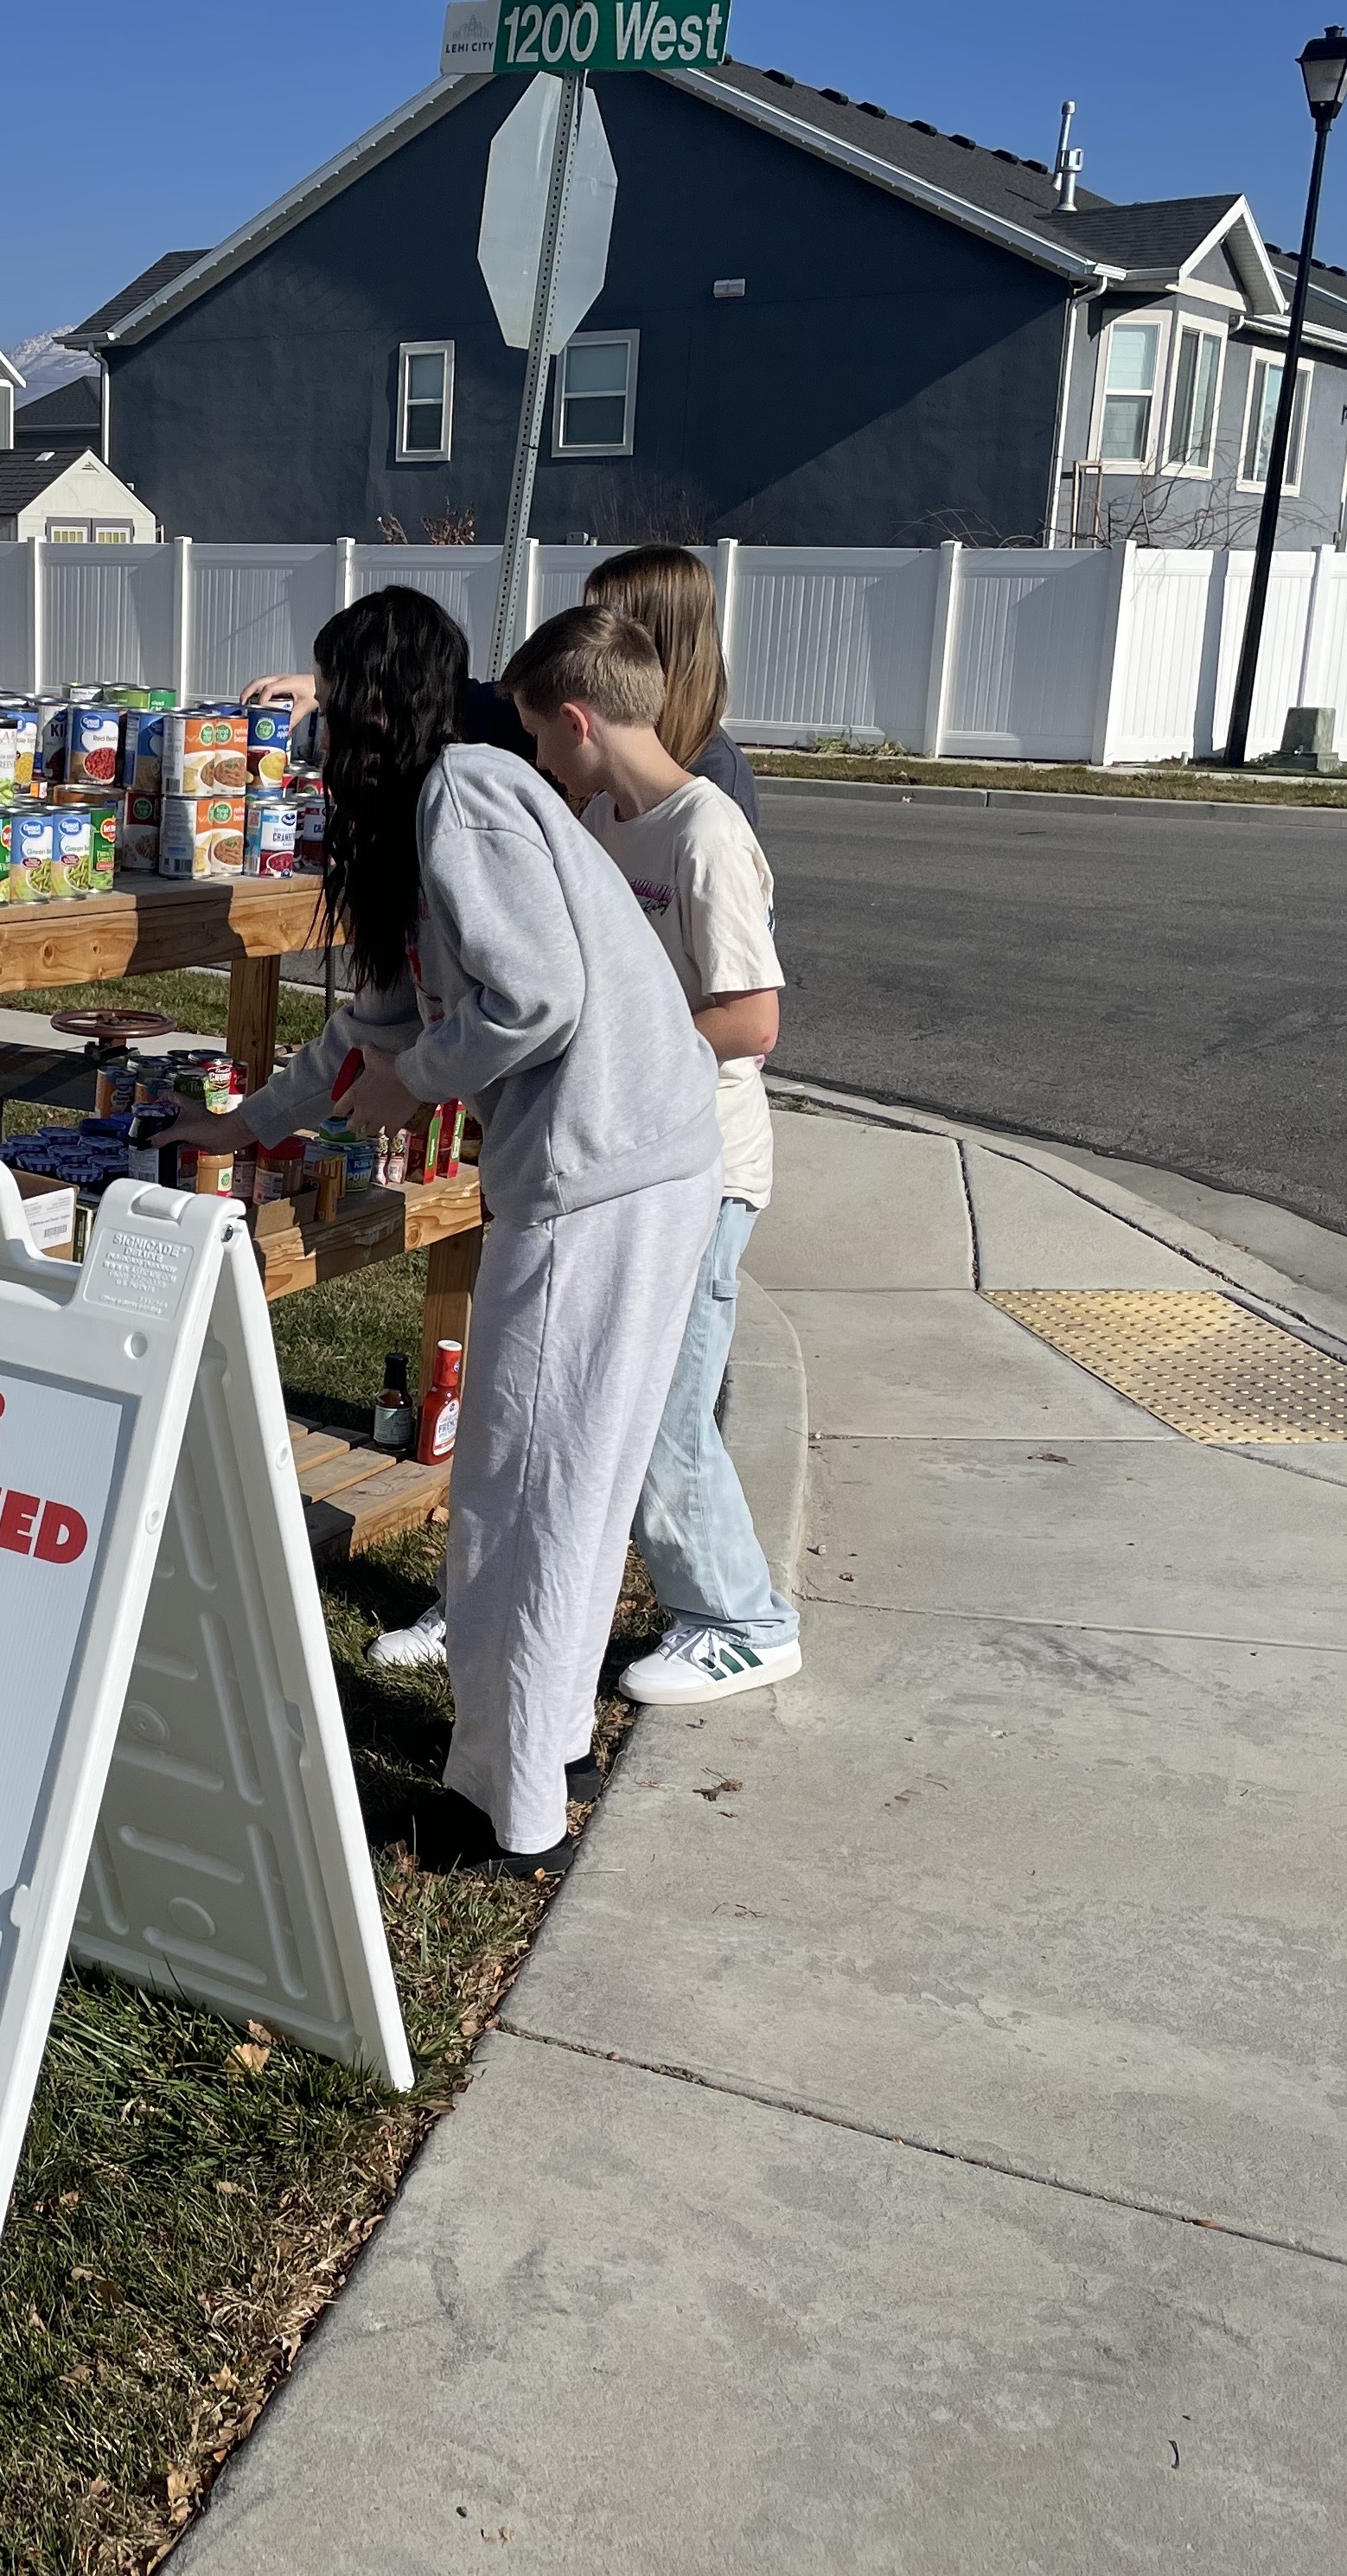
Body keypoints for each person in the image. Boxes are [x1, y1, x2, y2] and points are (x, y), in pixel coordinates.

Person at [158, 587, 718, 1876]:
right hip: (640, 1165)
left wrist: (425, 1081)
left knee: (521, 1492)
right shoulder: (450, 807)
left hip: (604, 1181)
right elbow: (379, 1029)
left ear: (370, 701)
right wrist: (250, 1129)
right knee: (564, 1487)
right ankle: (544, 1746)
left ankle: (503, 1814)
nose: (312, 729)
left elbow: (532, 1001)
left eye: (326, 695)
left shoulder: (463, 788)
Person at [501, 603, 801, 1703]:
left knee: (667, 1408)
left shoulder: (702, 834)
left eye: (540, 737)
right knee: (631, 1398)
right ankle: (712, 1604)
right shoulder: (607, 823)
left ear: (578, 721)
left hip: (710, 1172)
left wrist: (624, 1049)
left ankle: (741, 1619)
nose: (537, 760)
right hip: (641, 1159)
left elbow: (754, 1020)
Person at [244, 541, 762, 827]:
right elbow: (455, 696)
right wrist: (336, 688)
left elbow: (747, 1013)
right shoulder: (549, 726)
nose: (541, 756)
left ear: (652, 639)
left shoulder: (715, 786)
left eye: (604, 615)